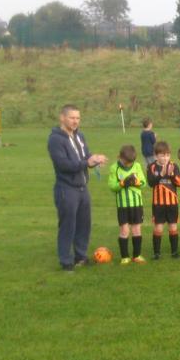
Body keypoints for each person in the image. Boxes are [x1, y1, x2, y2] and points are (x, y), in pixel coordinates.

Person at [48, 104, 107, 271]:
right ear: (62, 118)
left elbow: (85, 156)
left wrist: (94, 159)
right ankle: (66, 261)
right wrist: (86, 163)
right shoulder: (55, 140)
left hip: (82, 188)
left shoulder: (79, 136)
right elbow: (63, 164)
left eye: (78, 118)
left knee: (84, 224)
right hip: (66, 189)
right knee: (68, 225)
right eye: (72, 118)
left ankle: (80, 256)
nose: (75, 121)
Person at [108, 144, 147, 264]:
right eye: (126, 163)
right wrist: (122, 184)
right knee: (124, 230)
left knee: (136, 229)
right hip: (123, 205)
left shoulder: (137, 166)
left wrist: (136, 182)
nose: (128, 165)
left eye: (130, 163)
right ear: (119, 157)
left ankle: (137, 255)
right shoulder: (114, 168)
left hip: (136, 204)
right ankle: (125, 256)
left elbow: (144, 183)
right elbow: (112, 186)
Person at [147, 141, 180, 259]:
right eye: (162, 155)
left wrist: (171, 174)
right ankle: (156, 253)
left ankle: (174, 252)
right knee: (158, 227)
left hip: (172, 203)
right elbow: (151, 183)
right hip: (158, 204)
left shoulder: (174, 166)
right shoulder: (151, 166)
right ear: (156, 156)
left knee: (173, 227)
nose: (165, 158)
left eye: (167, 155)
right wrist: (161, 174)